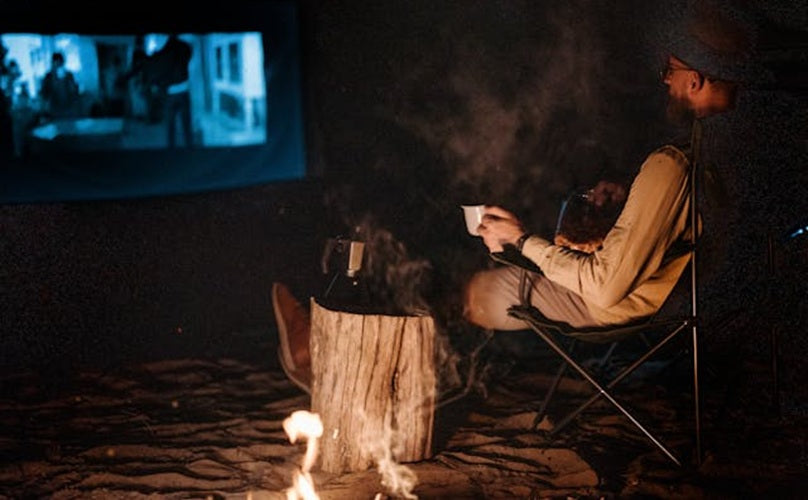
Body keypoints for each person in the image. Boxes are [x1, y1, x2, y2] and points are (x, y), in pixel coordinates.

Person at [270, 2, 759, 393]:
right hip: (663, 296)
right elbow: (684, 236)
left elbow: (607, 286)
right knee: (465, 268)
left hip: (611, 305)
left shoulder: (671, 162)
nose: (665, 81)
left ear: (695, 80)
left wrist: (524, 241)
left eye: (670, 72)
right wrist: (631, 207)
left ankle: (318, 348)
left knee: (459, 289)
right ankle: (352, 345)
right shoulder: (731, 151)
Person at [146, 34, 193, 148]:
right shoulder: (185, 46)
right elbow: (189, 56)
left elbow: (155, 70)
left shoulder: (161, 51)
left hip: (170, 93)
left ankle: (171, 151)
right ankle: (190, 150)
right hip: (183, 90)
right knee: (186, 126)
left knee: (170, 127)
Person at [40, 51, 80, 119]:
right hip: (55, 110)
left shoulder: (69, 75)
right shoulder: (48, 76)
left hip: (69, 109)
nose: (58, 66)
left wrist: (70, 82)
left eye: (60, 63)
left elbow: (74, 91)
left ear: (63, 63)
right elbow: (44, 94)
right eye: (56, 63)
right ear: (52, 64)